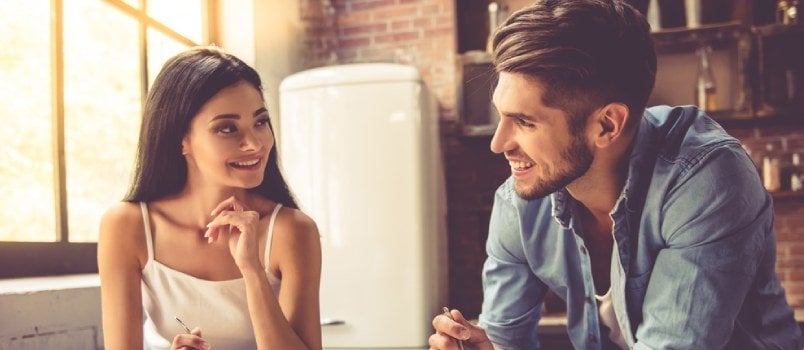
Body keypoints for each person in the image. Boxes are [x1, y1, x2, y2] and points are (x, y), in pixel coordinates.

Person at [430, 1, 802, 349]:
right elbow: (504, 338)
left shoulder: (705, 179)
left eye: (525, 122)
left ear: (607, 125)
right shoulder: (519, 200)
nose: (498, 144)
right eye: (502, 116)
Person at [98, 46, 322, 350]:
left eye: (260, 121)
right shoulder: (127, 226)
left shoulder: (292, 231)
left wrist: (252, 270)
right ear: (181, 140)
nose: (254, 144)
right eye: (227, 128)